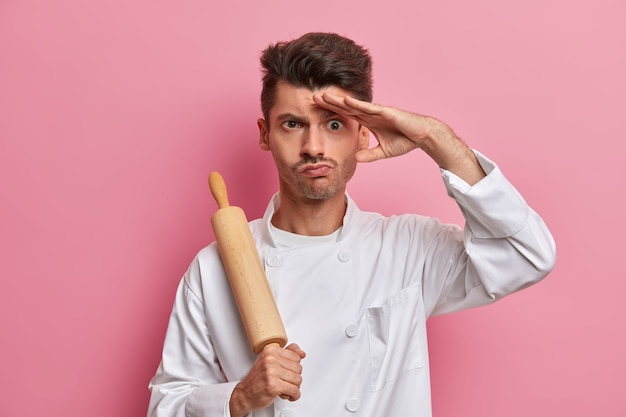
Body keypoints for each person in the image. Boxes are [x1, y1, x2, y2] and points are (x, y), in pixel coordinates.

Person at [147, 32, 556, 417]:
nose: (313, 147)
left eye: (334, 124)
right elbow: (165, 405)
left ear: (364, 136)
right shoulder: (214, 268)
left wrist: (436, 138)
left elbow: (527, 255)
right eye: (293, 124)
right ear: (265, 134)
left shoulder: (409, 247)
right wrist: (238, 398)